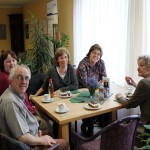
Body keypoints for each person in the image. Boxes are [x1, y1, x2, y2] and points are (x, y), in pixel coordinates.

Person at [0, 64, 70, 150]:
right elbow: (21, 137)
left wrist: (36, 133)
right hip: (25, 146)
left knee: (49, 132)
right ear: (11, 80)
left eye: (26, 78)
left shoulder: (14, 94)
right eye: (19, 77)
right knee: (65, 143)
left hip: (30, 137)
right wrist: (39, 140)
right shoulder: (11, 102)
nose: (24, 81)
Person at [0, 50, 51, 134]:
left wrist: (31, 106)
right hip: (20, 113)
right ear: (2, 64)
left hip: (27, 108)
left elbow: (21, 97)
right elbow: (15, 102)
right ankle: (45, 142)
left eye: (13, 60)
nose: (12, 63)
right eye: (8, 61)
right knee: (46, 124)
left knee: (45, 115)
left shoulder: (11, 75)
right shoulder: (6, 79)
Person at [77, 44, 109, 136]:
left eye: (98, 54)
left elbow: (105, 78)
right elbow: (85, 83)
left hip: (97, 89)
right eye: (94, 53)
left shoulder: (101, 63)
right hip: (83, 91)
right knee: (91, 105)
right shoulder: (83, 64)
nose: (96, 55)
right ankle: (88, 125)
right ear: (89, 53)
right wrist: (100, 84)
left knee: (106, 102)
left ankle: (104, 128)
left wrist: (104, 86)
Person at [115, 55, 150, 124]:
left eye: (141, 65)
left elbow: (129, 104)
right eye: (138, 65)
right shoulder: (146, 82)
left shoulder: (144, 82)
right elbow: (147, 90)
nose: (137, 68)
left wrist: (119, 97)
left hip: (147, 124)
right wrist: (134, 84)